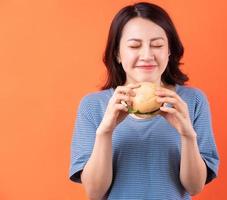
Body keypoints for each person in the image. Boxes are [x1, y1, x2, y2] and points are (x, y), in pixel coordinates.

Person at [69, 2, 219, 200]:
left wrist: (187, 135)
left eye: (157, 45)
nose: (147, 55)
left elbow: (194, 187)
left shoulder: (193, 101)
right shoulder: (93, 106)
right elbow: (95, 193)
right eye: (134, 46)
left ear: (169, 51)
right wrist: (105, 132)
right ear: (117, 53)